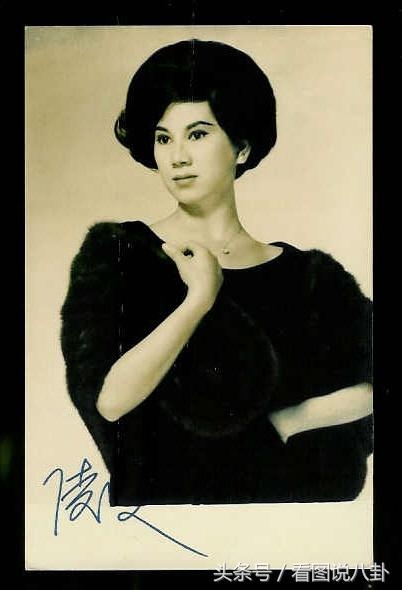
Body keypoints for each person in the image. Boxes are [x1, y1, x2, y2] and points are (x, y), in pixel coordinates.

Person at [61, 39, 373, 507]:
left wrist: (287, 422)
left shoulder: (310, 276)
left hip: (295, 521)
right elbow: (110, 400)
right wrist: (199, 299)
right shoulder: (119, 255)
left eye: (198, 134)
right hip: (166, 523)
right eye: (163, 138)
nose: (177, 156)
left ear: (241, 147)